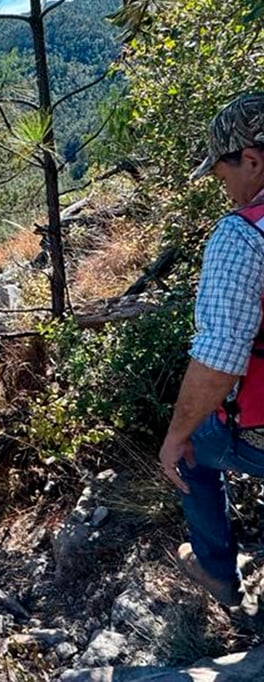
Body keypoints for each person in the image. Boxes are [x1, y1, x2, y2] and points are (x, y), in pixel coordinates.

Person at [159, 93, 264, 607]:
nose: (226, 190)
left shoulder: (241, 235)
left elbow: (220, 361)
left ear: (251, 159)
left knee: (193, 452)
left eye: (223, 174)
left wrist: (175, 435)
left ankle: (217, 572)